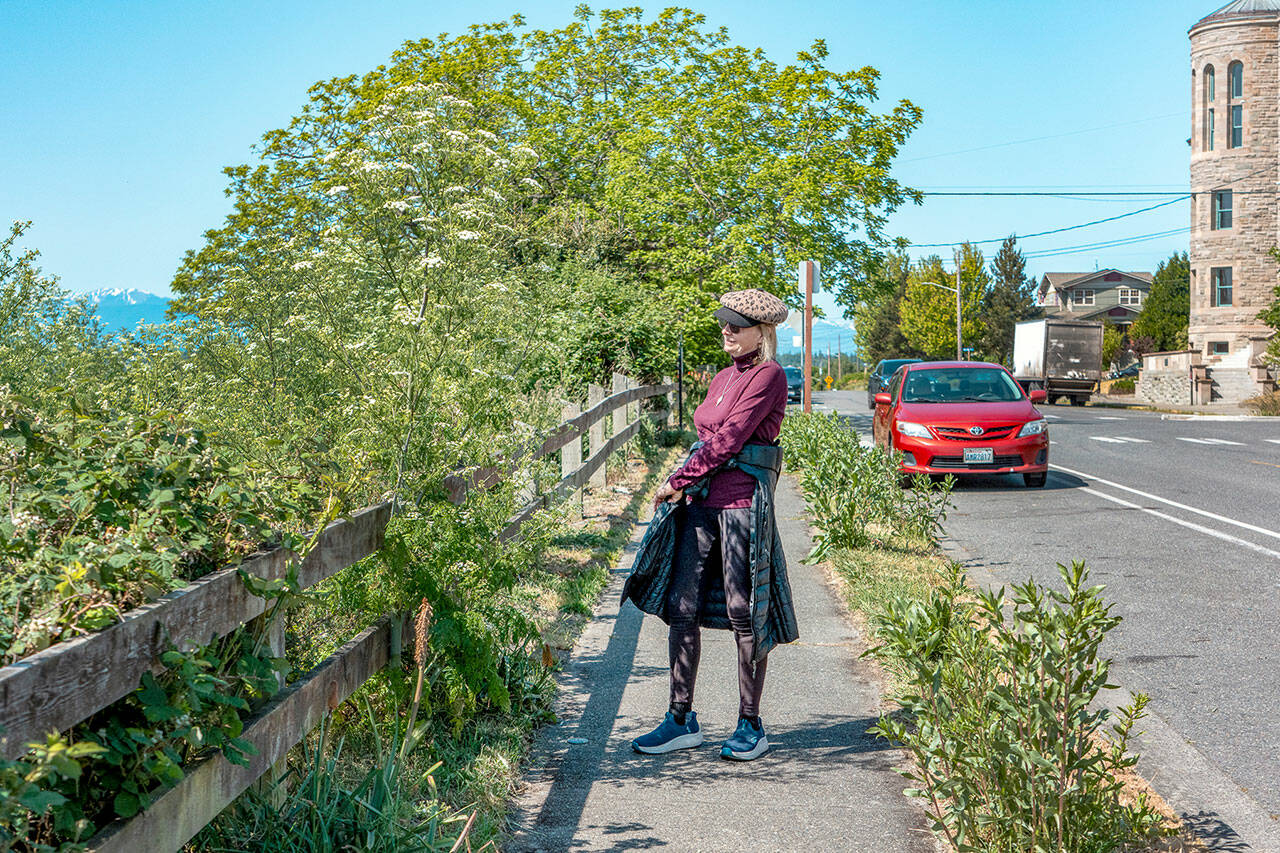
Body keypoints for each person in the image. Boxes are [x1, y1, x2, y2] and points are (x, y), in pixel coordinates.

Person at [621, 288, 798, 761]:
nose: (726, 331)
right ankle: (680, 720)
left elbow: (728, 440)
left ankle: (750, 724)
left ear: (762, 332)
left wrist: (676, 480)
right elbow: (709, 438)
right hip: (701, 501)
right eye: (724, 323)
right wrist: (688, 483)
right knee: (681, 604)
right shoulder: (721, 376)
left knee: (746, 609)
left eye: (736, 326)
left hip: (742, 503)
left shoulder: (769, 375)